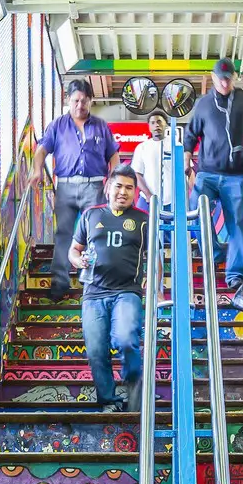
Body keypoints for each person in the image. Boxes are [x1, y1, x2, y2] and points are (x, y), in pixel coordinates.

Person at [184, 58, 243, 292]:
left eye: (228, 78)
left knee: (237, 225)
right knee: (195, 212)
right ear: (212, 78)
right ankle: (214, 252)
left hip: (236, 175)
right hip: (207, 173)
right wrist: (186, 158)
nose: (224, 82)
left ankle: (234, 274)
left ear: (234, 78)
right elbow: (190, 134)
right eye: (220, 78)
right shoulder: (203, 104)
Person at [68, 165, 147, 413]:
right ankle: (109, 401)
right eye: (118, 186)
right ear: (108, 187)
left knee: (125, 339)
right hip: (93, 294)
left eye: (129, 188)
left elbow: (154, 256)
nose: (123, 192)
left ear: (135, 192)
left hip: (127, 292)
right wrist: (77, 260)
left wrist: (156, 287)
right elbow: (74, 249)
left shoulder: (144, 219)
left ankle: (134, 379)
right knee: (96, 351)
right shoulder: (91, 216)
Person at [38, 78, 120, 300]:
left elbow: (113, 154)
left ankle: (93, 283)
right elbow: (42, 150)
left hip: (94, 187)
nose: (80, 105)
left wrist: (113, 178)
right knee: (63, 234)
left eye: (84, 101)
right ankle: (59, 285)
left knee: (96, 233)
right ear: (68, 100)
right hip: (65, 188)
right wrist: (36, 170)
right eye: (75, 100)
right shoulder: (57, 125)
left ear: (91, 101)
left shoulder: (101, 126)